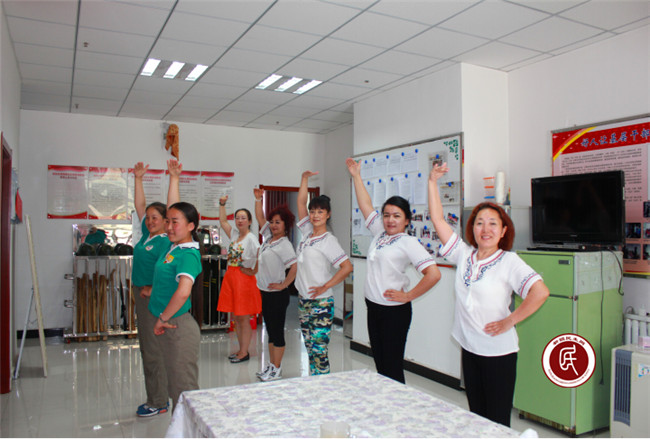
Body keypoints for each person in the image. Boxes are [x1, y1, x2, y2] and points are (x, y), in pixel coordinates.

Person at [429, 163, 549, 427]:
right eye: (480, 223)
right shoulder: (464, 255)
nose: (486, 229)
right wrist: (432, 182)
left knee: (497, 420)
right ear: (472, 229)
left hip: (498, 353)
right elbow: (438, 220)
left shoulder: (509, 261)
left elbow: (540, 291)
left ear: (503, 231)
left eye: (493, 224)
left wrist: (510, 321)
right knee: (476, 416)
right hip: (470, 348)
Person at [346, 158, 442, 384]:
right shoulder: (380, 233)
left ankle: (399, 403)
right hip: (373, 307)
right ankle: (384, 401)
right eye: (387, 215)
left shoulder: (408, 242)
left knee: (392, 367)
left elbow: (434, 274)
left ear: (407, 220)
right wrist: (356, 176)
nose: (390, 220)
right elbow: (365, 204)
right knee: (380, 364)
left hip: (394, 313)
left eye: (397, 216)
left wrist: (408, 295)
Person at [132, 159, 181, 417]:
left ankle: (159, 401)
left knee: (152, 349)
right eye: (148, 218)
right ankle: (158, 397)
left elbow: (167, 270)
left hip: (151, 296)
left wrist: (174, 178)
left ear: (166, 221)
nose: (150, 220)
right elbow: (139, 206)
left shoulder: (165, 240)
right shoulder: (147, 235)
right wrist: (138, 179)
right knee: (147, 346)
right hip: (140, 293)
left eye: (156, 218)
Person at [296, 171, 353, 375]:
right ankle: (314, 384)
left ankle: (323, 387)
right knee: (310, 348)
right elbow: (300, 203)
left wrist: (326, 286)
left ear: (328, 214)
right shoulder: (307, 234)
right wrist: (304, 179)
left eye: (320, 211)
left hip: (320, 303)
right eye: (312, 211)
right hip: (304, 301)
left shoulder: (329, 241)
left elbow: (347, 267)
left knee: (319, 351)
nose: (315, 215)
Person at [150, 201, 202, 412]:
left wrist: (162, 318)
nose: (169, 227)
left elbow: (183, 292)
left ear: (191, 225)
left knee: (184, 390)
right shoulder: (173, 247)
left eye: (175, 222)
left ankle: (190, 428)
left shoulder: (188, 254)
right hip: (169, 324)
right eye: (167, 221)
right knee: (174, 386)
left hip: (177, 326)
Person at [252, 188, 297, 381]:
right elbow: (260, 217)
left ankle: (277, 369)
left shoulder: (284, 244)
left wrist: (283, 284)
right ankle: (271, 366)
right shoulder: (269, 239)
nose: (273, 225)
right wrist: (258, 199)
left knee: (277, 331)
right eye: (272, 222)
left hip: (277, 295)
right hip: (265, 292)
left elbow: (294, 267)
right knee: (270, 331)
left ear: (286, 225)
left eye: (278, 222)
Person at [216, 196, 261, 363]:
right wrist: (222, 204)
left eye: (243, 218)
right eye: (237, 218)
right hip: (231, 277)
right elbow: (223, 221)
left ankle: (244, 352)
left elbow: (260, 256)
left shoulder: (251, 238)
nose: (239, 220)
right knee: (236, 317)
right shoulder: (234, 234)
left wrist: (253, 271)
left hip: (243, 280)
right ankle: (241, 349)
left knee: (243, 318)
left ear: (249, 221)